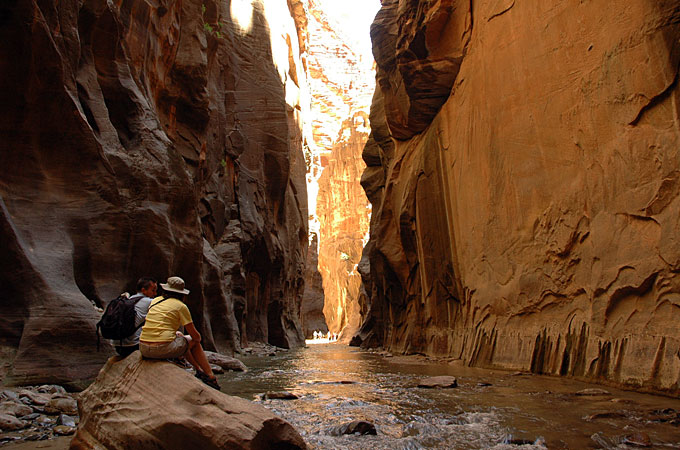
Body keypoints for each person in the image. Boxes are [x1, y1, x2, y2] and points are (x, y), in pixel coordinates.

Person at [139, 276, 220, 390]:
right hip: (160, 349)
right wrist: (197, 338)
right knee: (193, 341)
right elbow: (195, 337)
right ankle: (210, 376)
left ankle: (198, 370)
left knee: (181, 337)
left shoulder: (155, 300)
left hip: (143, 347)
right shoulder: (181, 306)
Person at [114, 277, 157, 357]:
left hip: (118, 345)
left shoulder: (130, 299)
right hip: (133, 346)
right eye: (153, 290)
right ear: (143, 290)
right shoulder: (149, 302)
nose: (155, 293)